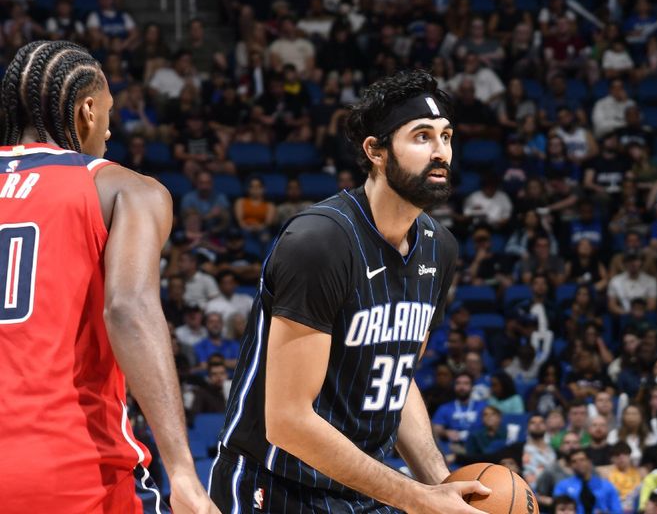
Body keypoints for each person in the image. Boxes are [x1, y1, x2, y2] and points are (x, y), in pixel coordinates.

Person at [209, 69, 492, 512]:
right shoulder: (320, 242)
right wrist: (417, 498)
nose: (441, 153)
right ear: (375, 151)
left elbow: (396, 380)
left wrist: (439, 481)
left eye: (446, 137)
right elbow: (287, 421)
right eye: (422, 137)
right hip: (275, 485)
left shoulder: (441, 248)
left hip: (362, 487)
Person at [0, 40, 216, 511]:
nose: (111, 131)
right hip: (69, 468)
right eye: (110, 114)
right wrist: (181, 470)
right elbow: (128, 309)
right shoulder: (124, 187)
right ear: (88, 111)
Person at [553, 448, 623, 514]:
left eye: (582, 460)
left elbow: (617, 511)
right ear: (570, 465)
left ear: (589, 461)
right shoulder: (562, 486)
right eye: (574, 461)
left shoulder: (606, 485)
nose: (578, 463)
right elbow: (558, 510)